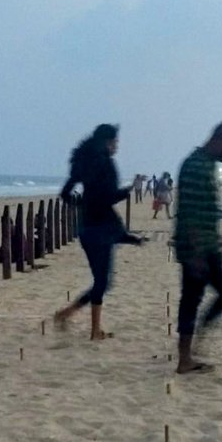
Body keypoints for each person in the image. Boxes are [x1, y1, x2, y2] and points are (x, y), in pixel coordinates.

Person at [52, 123, 143, 340]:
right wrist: (131, 189)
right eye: (115, 142)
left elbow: (65, 194)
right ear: (107, 142)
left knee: (101, 281)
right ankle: (82, 323)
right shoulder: (105, 163)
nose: (117, 146)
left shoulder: (82, 161)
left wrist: (83, 204)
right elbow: (108, 198)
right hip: (102, 229)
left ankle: (79, 321)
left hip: (86, 228)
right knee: (102, 282)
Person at [174, 122, 222, 374]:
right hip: (195, 248)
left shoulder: (207, 164)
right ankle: (184, 359)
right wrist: (195, 254)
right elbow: (189, 213)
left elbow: (205, 211)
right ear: (220, 140)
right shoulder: (196, 166)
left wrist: (215, 244)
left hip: (206, 245)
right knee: (191, 299)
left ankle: (195, 339)